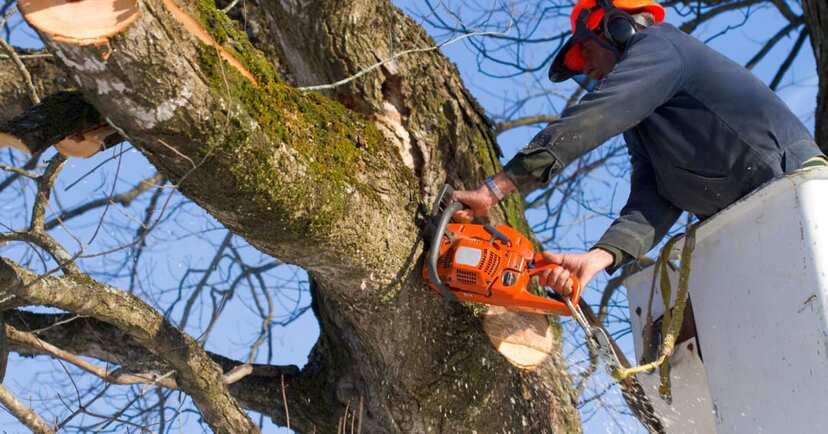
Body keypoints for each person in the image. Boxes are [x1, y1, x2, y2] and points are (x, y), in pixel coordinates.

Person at [452, 0, 827, 295]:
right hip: (749, 222)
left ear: (617, 28)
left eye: (586, 54)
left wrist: (496, 187)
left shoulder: (662, 47)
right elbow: (655, 195)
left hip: (792, 191)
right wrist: (599, 258)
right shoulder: (647, 118)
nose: (588, 71)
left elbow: (597, 116)